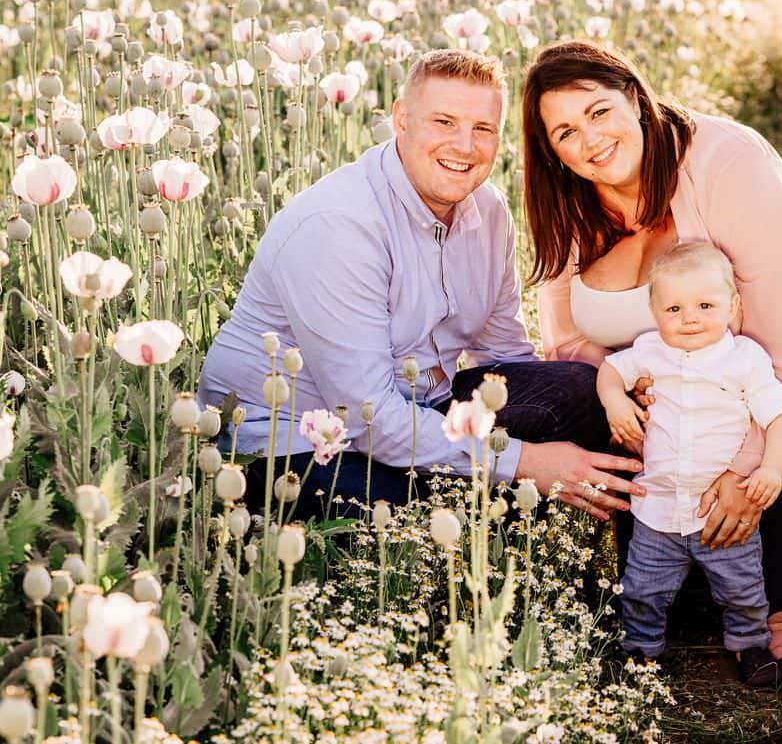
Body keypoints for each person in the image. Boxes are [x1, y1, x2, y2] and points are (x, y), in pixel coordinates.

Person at [523, 39, 782, 660]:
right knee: (524, 395)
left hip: (752, 428)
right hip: (650, 446)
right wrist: (630, 385)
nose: (590, 141)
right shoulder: (567, 201)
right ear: (553, 153)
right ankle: (559, 583)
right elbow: (566, 341)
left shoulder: (729, 164)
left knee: (756, 592)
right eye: (565, 133)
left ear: (635, 96)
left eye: (599, 112)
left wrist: (751, 471)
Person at [198, 50, 644, 520]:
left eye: (483, 129)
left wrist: (595, 400)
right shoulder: (339, 225)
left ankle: (651, 565)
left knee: (580, 392)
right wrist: (525, 461)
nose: (465, 147)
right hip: (298, 445)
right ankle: (494, 551)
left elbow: (504, 359)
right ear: (401, 119)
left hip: (425, 406)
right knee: (421, 511)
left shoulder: (488, 211)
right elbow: (368, 419)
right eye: (445, 122)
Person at [598, 242, 782, 687]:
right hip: (658, 511)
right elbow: (610, 371)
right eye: (674, 308)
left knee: (742, 588)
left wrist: (769, 468)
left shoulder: (744, 359)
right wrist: (615, 402)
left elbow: (780, 417)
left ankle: (750, 643)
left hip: (720, 509)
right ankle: (641, 652)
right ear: (654, 311)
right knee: (641, 591)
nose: (690, 317)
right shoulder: (650, 351)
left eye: (705, 305)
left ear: (733, 306)